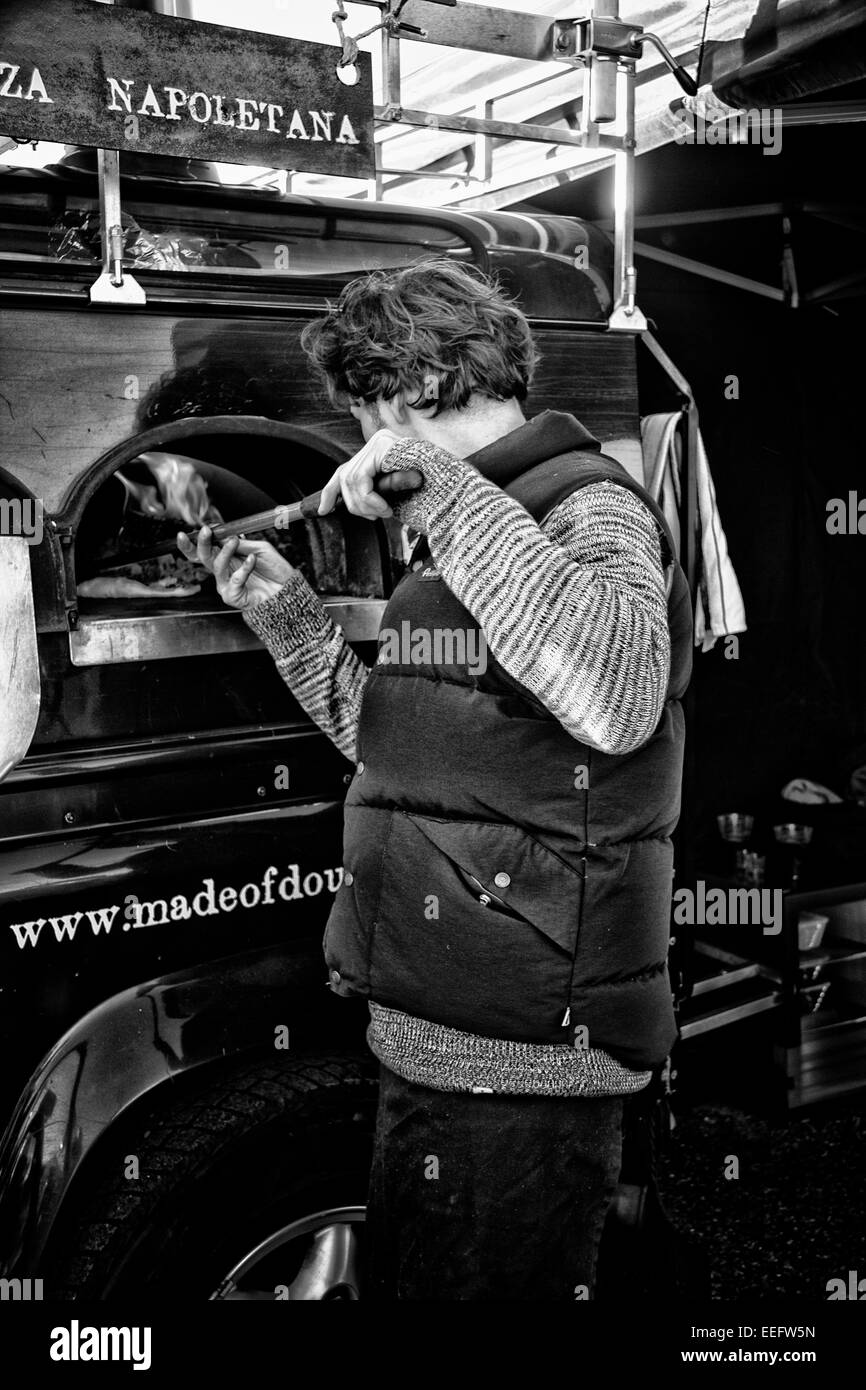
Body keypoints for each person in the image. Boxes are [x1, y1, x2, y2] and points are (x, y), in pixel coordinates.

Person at [178, 260, 692, 1301]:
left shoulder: (586, 506)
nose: (364, 433)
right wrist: (285, 611)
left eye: (366, 403)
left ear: (414, 387)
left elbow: (616, 693)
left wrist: (441, 488)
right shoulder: (460, 528)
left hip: (526, 1060)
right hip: (433, 1039)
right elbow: (399, 753)